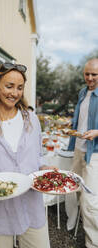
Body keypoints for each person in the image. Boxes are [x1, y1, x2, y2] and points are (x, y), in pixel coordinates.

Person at [0, 62, 53, 248]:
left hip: (30, 202)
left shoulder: (32, 120)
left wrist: (45, 168)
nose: (14, 93)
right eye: (9, 86)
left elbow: (38, 155)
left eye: (19, 88)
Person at [67, 58, 98, 248]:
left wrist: (97, 132)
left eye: (94, 74)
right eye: (87, 74)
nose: (90, 78)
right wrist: (70, 127)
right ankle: (82, 224)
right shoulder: (82, 93)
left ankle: (93, 243)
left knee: (90, 200)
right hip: (79, 149)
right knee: (75, 189)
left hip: (94, 153)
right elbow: (81, 118)